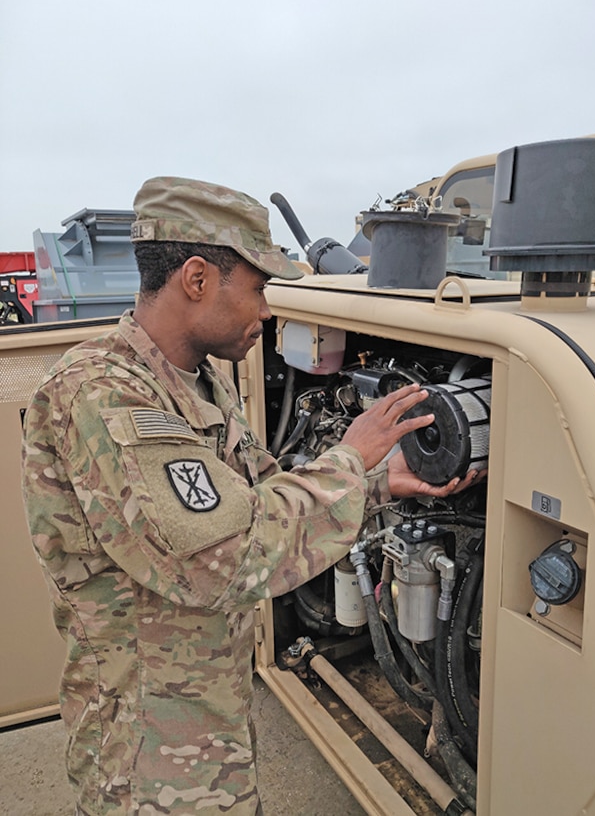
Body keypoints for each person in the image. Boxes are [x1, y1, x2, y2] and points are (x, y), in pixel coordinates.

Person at [21, 176, 477, 816]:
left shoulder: (195, 379)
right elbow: (227, 553)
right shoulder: (104, 396)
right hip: (147, 752)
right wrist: (351, 457)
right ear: (198, 279)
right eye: (259, 288)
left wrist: (376, 482)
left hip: (205, 715)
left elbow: (256, 490)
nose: (267, 310)